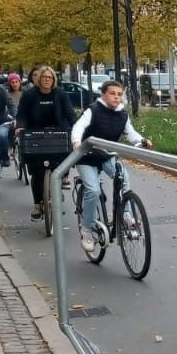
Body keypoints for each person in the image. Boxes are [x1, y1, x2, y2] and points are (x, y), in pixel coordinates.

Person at [70, 79, 152, 256]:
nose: (116, 97)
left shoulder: (123, 115)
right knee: (93, 191)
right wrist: (76, 142)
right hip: (87, 156)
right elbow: (78, 127)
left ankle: (127, 215)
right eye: (112, 94)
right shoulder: (93, 110)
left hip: (107, 155)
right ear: (103, 94)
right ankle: (87, 230)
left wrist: (141, 141)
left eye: (119, 94)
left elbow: (131, 134)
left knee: (124, 178)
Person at [14, 65, 75, 221]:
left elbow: (70, 114)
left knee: (61, 163)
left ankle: (61, 183)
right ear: (38, 78)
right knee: (36, 172)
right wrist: (20, 127)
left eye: (50, 77)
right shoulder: (29, 95)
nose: (47, 80)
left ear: (53, 79)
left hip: (58, 134)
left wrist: (77, 128)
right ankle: (37, 205)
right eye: (44, 77)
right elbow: (21, 114)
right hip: (35, 134)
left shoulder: (60, 94)